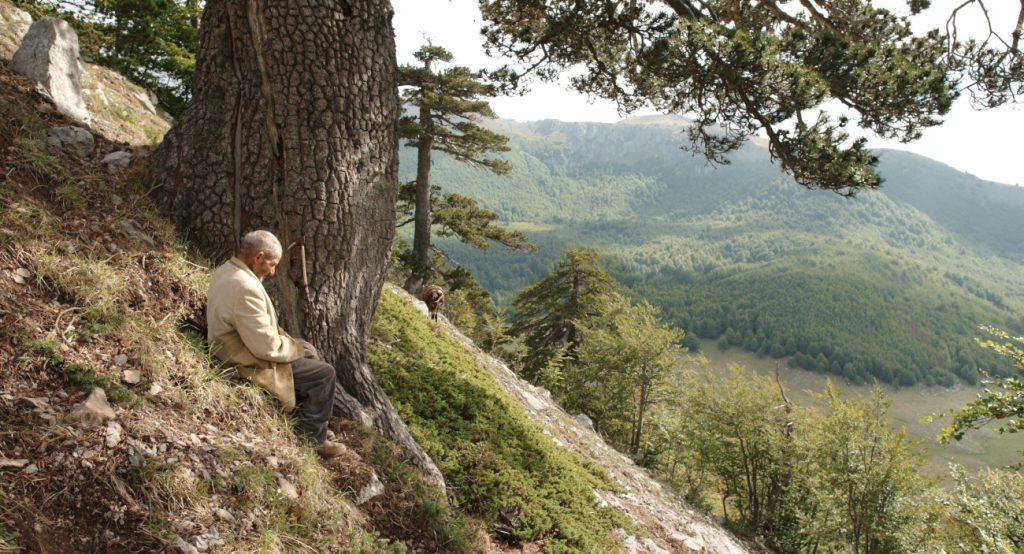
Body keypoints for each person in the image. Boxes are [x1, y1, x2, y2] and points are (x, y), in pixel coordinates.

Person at [206, 230, 345, 458]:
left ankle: (311, 420)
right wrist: (293, 346)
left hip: (234, 343)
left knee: (309, 351)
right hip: (241, 358)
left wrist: (292, 342)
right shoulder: (246, 287)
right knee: (324, 374)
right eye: (271, 265)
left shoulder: (227, 270)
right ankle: (312, 440)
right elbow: (267, 348)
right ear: (258, 257)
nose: (272, 272)